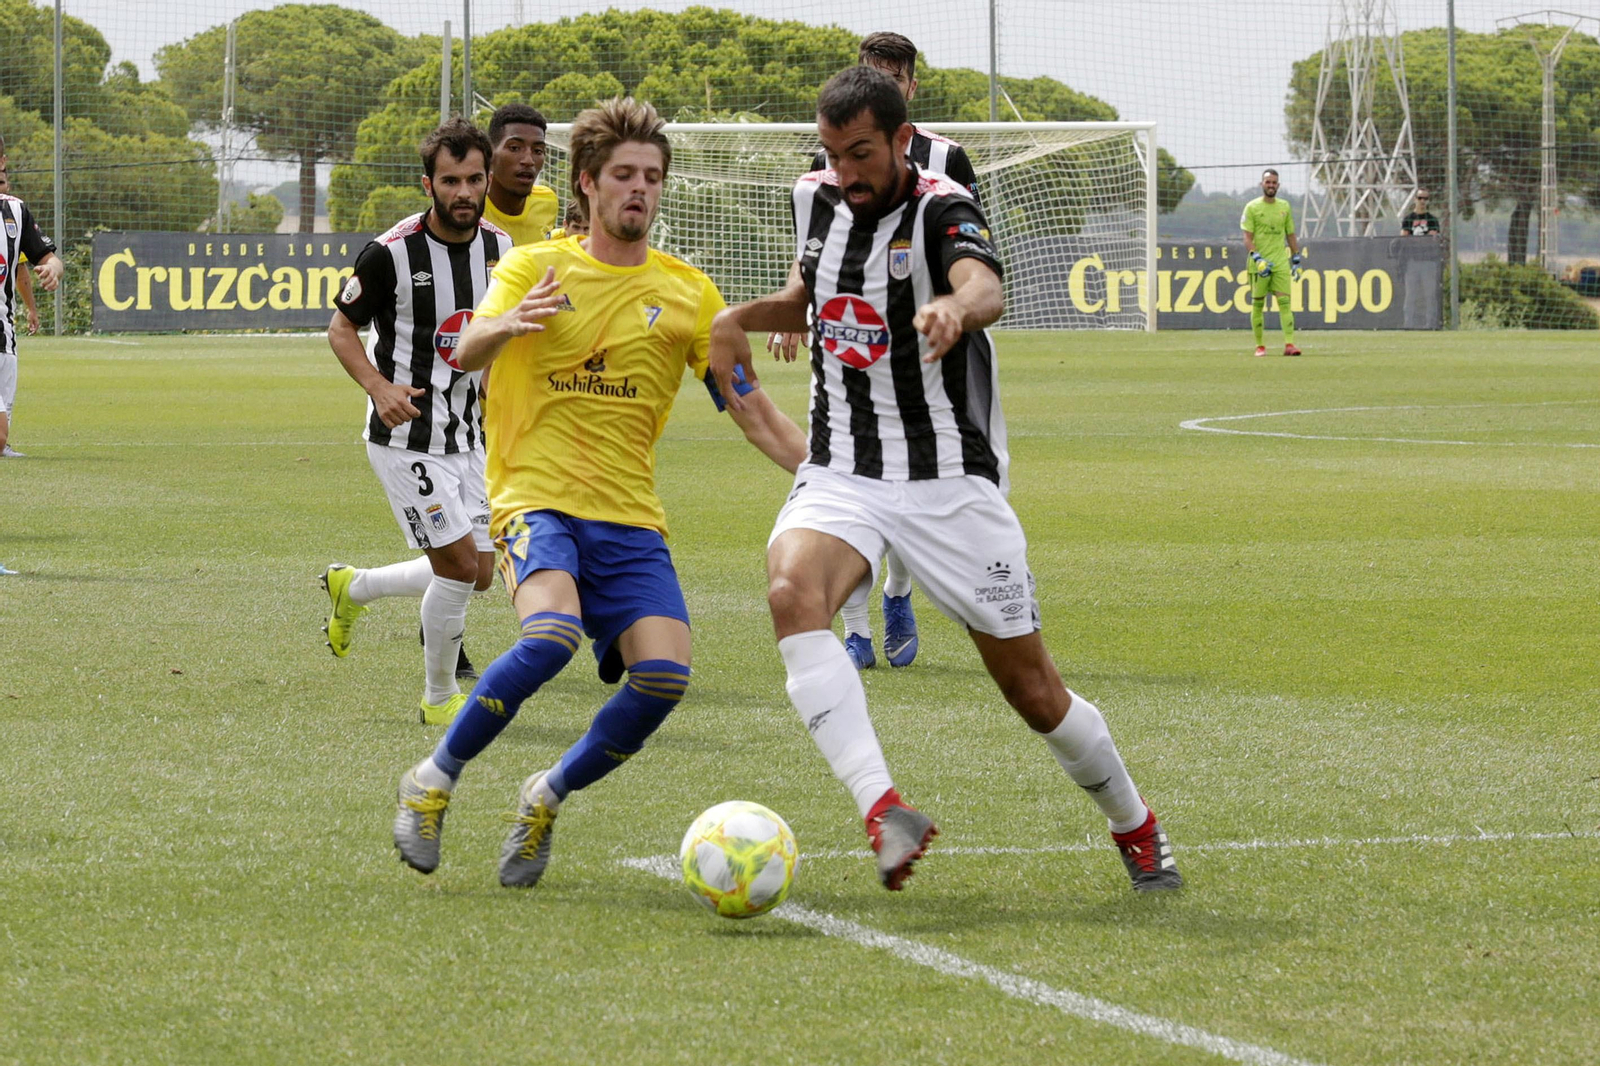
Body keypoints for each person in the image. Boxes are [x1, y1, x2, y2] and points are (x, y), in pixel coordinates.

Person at [708, 66, 1182, 895]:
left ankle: (1135, 826)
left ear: (899, 139)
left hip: (947, 480)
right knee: (791, 593)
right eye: (832, 154)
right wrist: (735, 318)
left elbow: (985, 285)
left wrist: (954, 311)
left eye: (861, 154)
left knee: (1035, 693)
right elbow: (812, 292)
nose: (846, 173)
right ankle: (883, 808)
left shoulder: (940, 207)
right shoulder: (813, 199)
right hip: (843, 466)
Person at [390, 97, 808, 888]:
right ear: (587, 183)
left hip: (628, 518)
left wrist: (829, 477)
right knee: (550, 637)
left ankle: (545, 794)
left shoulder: (690, 295)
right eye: (623, 175)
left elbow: (749, 403)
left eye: (652, 177)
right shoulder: (530, 266)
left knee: (664, 677)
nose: (639, 190)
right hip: (534, 500)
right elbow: (466, 346)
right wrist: (508, 324)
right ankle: (433, 780)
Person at [787, 30, 982, 672]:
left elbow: (966, 246)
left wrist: (956, 310)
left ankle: (899, 592)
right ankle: (856, 627)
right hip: (844, 342)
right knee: (846, 477)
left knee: (908, 472)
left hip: (918, 348)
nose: (884, 84)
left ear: (910, 88)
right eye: (874, 73)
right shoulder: (825, 169)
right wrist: (792, 313)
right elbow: (814, 253)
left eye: (895, 78)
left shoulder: (947, 159)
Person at [322, 119, 510, 725]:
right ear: (427, 183)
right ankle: (438, 700)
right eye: (451, 180)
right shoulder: (389, 254)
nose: (464, 192)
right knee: (455, 566)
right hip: (405, 437)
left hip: (468, 434)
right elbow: (341, 328)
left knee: (480, 573)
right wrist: (378, 388)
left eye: (474, 179)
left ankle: (355, 587)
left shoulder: (501, 249)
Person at [0, 160, 64, 460]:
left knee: (1, 440)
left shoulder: (15, 212)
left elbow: (46, 259)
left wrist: (53, 270)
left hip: (5, 333)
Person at [1241, 168, 1302, 357]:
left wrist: (1296, 258)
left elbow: (1290, 234)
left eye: (1274, 183)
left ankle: (1289, 344)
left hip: (1280, 262)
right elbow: (1247, 237)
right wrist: (1257, 258)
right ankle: (1260, 346)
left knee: (1285, 302)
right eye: (1268, 182)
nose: (1271, 185)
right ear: (1262, 184)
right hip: (1259, 264)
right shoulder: (1252, 207)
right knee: (1258, 305)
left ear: (1278, 185)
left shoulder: (1284, 206)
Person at [482, 104, 559, 246]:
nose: (528, 161)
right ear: (490, 154)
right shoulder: (472, 209)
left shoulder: (547, 201)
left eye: (538, 151)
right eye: (514, 148)